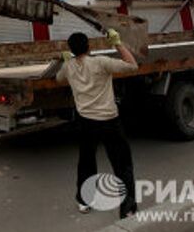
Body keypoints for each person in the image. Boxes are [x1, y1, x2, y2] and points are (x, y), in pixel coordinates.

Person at [56, 30, 139, 218]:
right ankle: (127, 207)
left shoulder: (68, 67)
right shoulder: (101, 62)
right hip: (109, 121)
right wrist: (117, 43)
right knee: (122, 164)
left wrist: (66, 60)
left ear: (71, 50)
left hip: (86, 122)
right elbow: (132, 66)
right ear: (89, 46)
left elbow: (58, 78)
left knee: (86, 162)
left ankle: (84, 201)